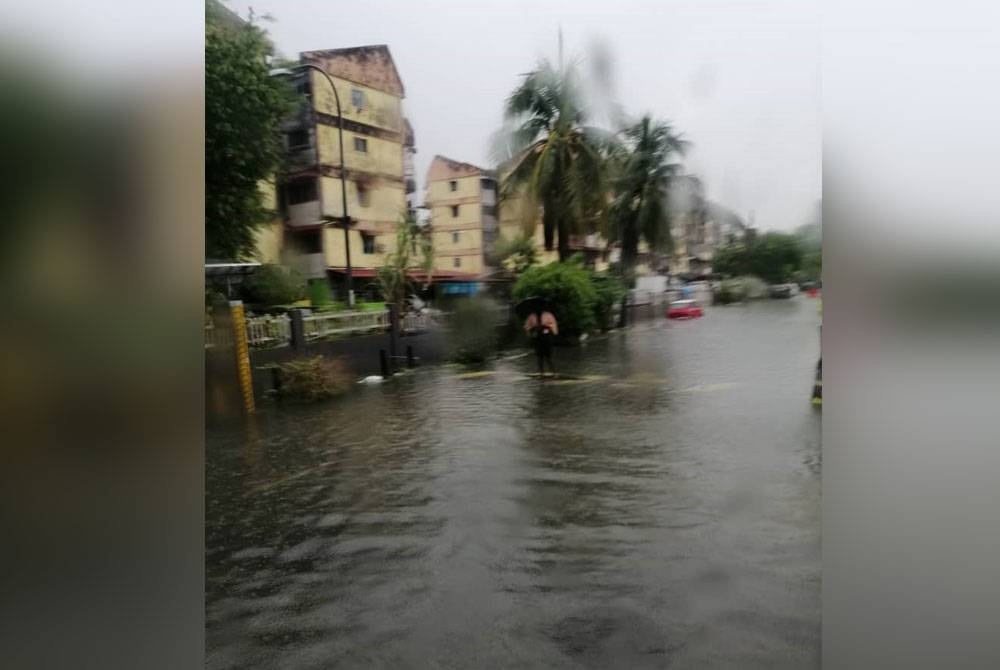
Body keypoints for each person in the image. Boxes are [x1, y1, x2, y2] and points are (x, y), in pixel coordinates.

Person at [524, 310, 558, 376]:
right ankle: (541, 372)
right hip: (537, 338)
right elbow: (527, 326)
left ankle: (554, 372)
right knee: (539, 357)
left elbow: (553, 325)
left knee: (549, 356)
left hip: (547, 337)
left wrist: (550, 328)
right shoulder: (532, 316)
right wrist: (530, 333)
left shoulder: (548, 315)